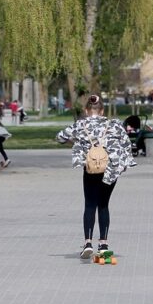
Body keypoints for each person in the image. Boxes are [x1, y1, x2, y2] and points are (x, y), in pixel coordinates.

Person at [56, 94, 133, 259]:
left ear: (86, 110)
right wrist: (124, 164)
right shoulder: (114, 124)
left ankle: (88, 243)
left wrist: (78, 143)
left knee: (90, 205)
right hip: (110, 169)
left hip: (90, 169)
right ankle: (104, 244)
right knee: (104, 205)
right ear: (102, 110)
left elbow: (60, 137)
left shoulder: (80, 124)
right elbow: (126, 144)